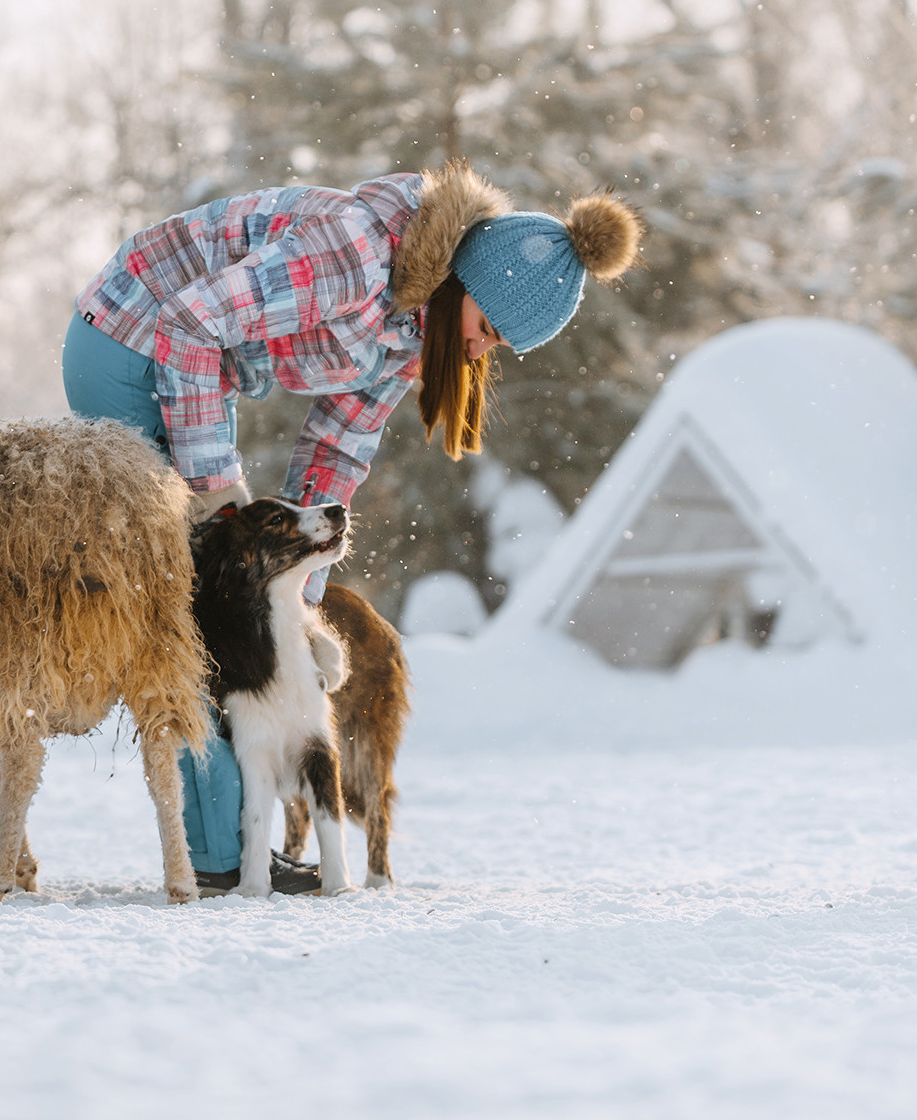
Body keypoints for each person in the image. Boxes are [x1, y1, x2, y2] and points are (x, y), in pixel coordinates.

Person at [61, 158, 642, 891]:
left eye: (499, 347)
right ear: (466, 284)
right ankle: (214, 855)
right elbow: (188, 324)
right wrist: (219, 498)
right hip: (128, 340)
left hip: (193, 364)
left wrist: (300, 609)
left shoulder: (407, 333)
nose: (480, 350)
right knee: (202, 605)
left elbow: (334, 455)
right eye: (488, 328)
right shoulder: (355, 256)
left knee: (247, 607)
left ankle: (227, 850)